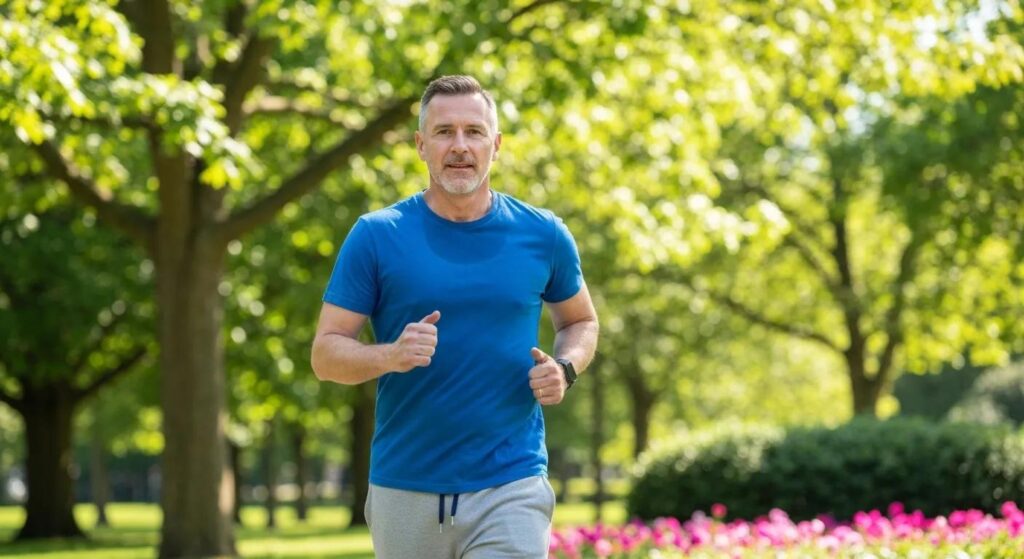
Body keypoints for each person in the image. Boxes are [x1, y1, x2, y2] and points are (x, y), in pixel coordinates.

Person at [311, 75, 599, 558]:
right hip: (406, 485)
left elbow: (581, 321)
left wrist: (565, 368)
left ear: (496, 144)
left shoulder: (543, 234)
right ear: (421, 146)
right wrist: (390, 354)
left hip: (512, 482)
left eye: (474, 131)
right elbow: (325, 354)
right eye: (444, 133)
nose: (460, 146)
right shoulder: (377, 236)